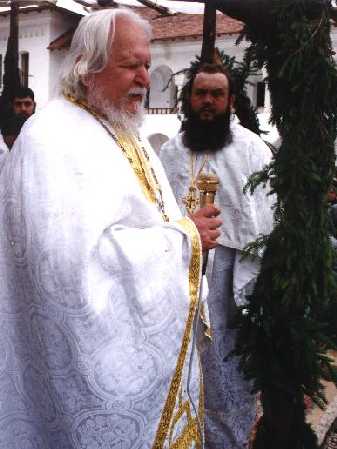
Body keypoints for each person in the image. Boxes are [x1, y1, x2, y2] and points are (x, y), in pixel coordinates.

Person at [0, 9, 222, 448]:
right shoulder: (50, 137)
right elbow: (67, 270)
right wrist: (185, 241)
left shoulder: (125, 131)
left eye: (146, 63)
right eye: (130, 65)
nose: (144, 77)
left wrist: (183, 233)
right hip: (78, 372)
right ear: (87, 67)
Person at [160, 63, 275, 449]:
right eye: (200, 93)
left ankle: (227, 441)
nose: (207, 101)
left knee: (226, 368)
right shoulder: (172, 151)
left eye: (216, 95)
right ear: (188, 99)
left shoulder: (252, 150)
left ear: (230, 101)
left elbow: (264, 221)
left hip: (229, 275)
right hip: (178, 270)